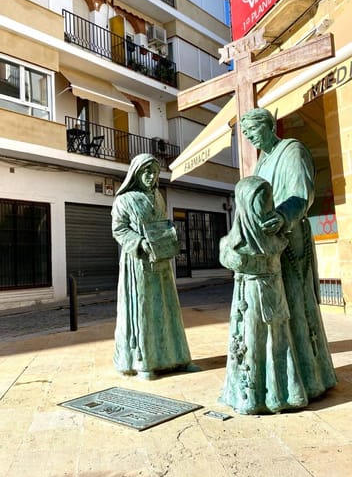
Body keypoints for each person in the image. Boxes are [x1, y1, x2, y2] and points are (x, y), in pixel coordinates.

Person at [239, 108, 337, 399]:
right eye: (245, 134)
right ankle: (284, 377)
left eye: (253, 131)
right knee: (277, 311)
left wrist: (282, 216)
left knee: (296, 302)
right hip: (269, 242)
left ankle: (309, 377)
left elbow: (300, 193)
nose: (250, 137)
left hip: (291, 238)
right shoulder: (262, 161)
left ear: (269, 126)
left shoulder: (292, 150)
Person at [219, 175, 308, 414]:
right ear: (247, 203)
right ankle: (251, 397)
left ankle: (282, 395)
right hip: (249, 301)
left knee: (278, 343)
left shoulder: (274, 235)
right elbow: (230, 256)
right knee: (251, 344)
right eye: (261, 201)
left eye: (267, 200)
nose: (266, 206)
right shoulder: (233, 242)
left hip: (274, 296)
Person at [111, 153, 199, 380]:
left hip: (161, 261)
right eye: (146, 172)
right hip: (139, 262)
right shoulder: (124, 199)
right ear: (136, 173)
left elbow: (161, 224)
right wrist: (139, 242)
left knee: (168, 309)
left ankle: (177, 357)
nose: (151, 177)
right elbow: (119, 229)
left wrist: (170, 235)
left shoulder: (158, 196)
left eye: (154, 173)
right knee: (144, 309)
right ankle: (144, 362)